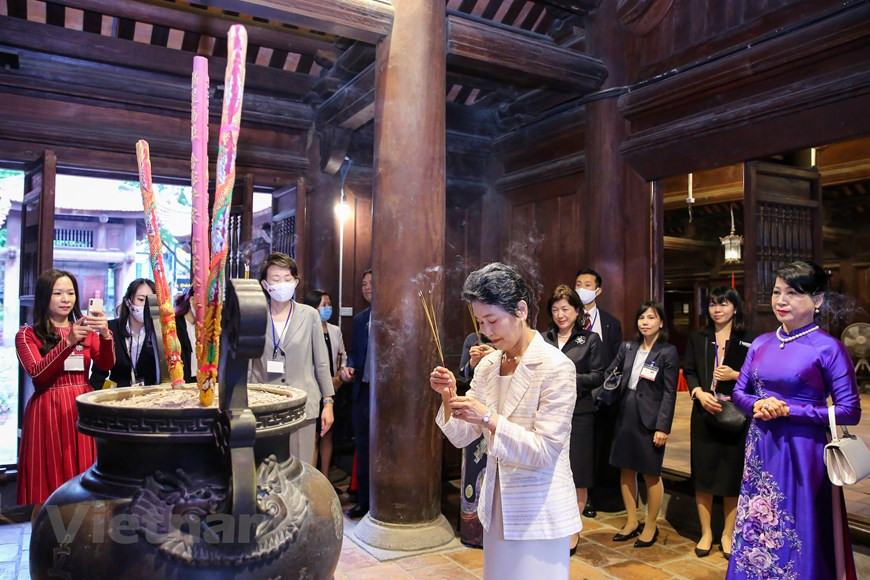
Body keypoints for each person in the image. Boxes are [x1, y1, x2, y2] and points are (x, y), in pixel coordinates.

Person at [430, 263, 581, 579]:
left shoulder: (556, 367)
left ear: (521, 310)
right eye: (481, 321)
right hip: (497, 502)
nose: (486, 330)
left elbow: (545, 450)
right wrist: (448, 396)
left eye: (493, 320)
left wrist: (488, 417)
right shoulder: (487, 366)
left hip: (539, 504)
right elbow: (462, 436)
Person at [728, 261, 861, 579]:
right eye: (777, 292)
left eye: (793, 293)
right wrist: (760, 403)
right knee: (757, 524)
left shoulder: (829, 348)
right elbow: (738, 393)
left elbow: (849, 410)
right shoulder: (761, 343)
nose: (781, 300)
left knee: (799, 527)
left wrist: (791, 410)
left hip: (804, 453)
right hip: (761, 449)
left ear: (817, 300)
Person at [16, 269, 115, 504]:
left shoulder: (85, 330)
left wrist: (105, 335)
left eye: (70, 293)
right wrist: (68, 342)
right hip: (47, 410)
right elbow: (38, 374)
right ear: (43, 297)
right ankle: (44, 539)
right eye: (57, 293)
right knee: (45, 493)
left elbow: (106, 364)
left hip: (81, 406)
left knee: (83, 485)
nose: (66, 299)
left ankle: (76, 540)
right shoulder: (27, 335)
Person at [684, 287, 755, 558]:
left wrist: (737, 374)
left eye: (723, 304)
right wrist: (699, 394)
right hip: (704, 413)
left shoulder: (749, 338)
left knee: (731, 476)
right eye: (713, 305)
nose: (717, 310)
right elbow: (689, 371)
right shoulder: (698, 337)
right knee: (703, 475)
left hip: (735, 415)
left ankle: (727, 534)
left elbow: (759, 376)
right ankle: (706, 533)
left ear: (735, 308)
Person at [249, 253, 334, 465]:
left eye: (288, 279)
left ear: (296, 282)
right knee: (265, 469)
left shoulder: (309, 315)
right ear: (265, 285)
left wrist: (328, 402)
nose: (283, 284)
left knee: (301, 467)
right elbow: (248, 364)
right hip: (264, 406)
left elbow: (321, 363)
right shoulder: (254, 315)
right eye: (276, 279)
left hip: (303, 405)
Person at [607, 301, 678, 548]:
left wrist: (663, 427)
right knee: (625, 469)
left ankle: (650, 525)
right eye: (641, 318)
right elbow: (611, 373)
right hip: (625, 412)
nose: (645, 322)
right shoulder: (628, 347)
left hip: (649, 418)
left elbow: (670, 393)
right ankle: (630, 521)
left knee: (650, 472)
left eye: (651, 317)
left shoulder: (667, 351)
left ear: (660, 322)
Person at [543, 284, 604, 549]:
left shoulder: (589, 340)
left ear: (577, 311)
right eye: (555, 309)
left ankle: (573, 530)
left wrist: (566, 378)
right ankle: (551, 525)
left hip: (579, 413)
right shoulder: (542, 339)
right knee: (550, 471)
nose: (560, 315)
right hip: (547, 413)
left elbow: (598, 375)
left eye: (565, 309)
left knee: (577, 472)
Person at [575, 267, 623, 516]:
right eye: (579, 284)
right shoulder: (568, 320)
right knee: (580, 448)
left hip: (604, 395)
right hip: (576, 392)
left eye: (587, 284)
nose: (582, 288)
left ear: (598, 290)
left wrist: (606, 389)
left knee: (600, 445)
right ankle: (584, 496)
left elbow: (617, 360)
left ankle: (600, 493)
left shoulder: (611, 323)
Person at [302, 289, 347, 483]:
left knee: (327, 435)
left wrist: (340, 376)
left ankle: (326, 479)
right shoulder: (306, 330)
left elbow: (342, 356)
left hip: (332, 389)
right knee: (312, 436)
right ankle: (310, 480)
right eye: (324, 305)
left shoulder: (335, 330)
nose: (328, 308)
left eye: (329, 304)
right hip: (311, 389)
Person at [457, 330, 495, 548]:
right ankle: (472, 533)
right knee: (473, 471)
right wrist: (472, 362)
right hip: (475, 414)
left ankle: (494, 534)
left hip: (497, 413)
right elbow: (464, 375)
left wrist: (496, 355)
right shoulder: (472, 338)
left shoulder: (510, 337)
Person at [340, 269, 373, 519]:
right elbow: (353, 352)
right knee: (362, 447)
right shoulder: (361, 320)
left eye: (373, 283)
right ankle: (364, 500)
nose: (367, 288)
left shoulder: (395, 317)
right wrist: (349, 367)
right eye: (364, 284)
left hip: (386, 396)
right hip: (362, 391)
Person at [90, 278, 160, 389]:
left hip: (149, 397)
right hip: (117, 397)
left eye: (149, 301)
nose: (145, 305)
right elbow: (99, 372)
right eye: (141, 300)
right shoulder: (111, 329)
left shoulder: (158, 333)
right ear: (127, 302)